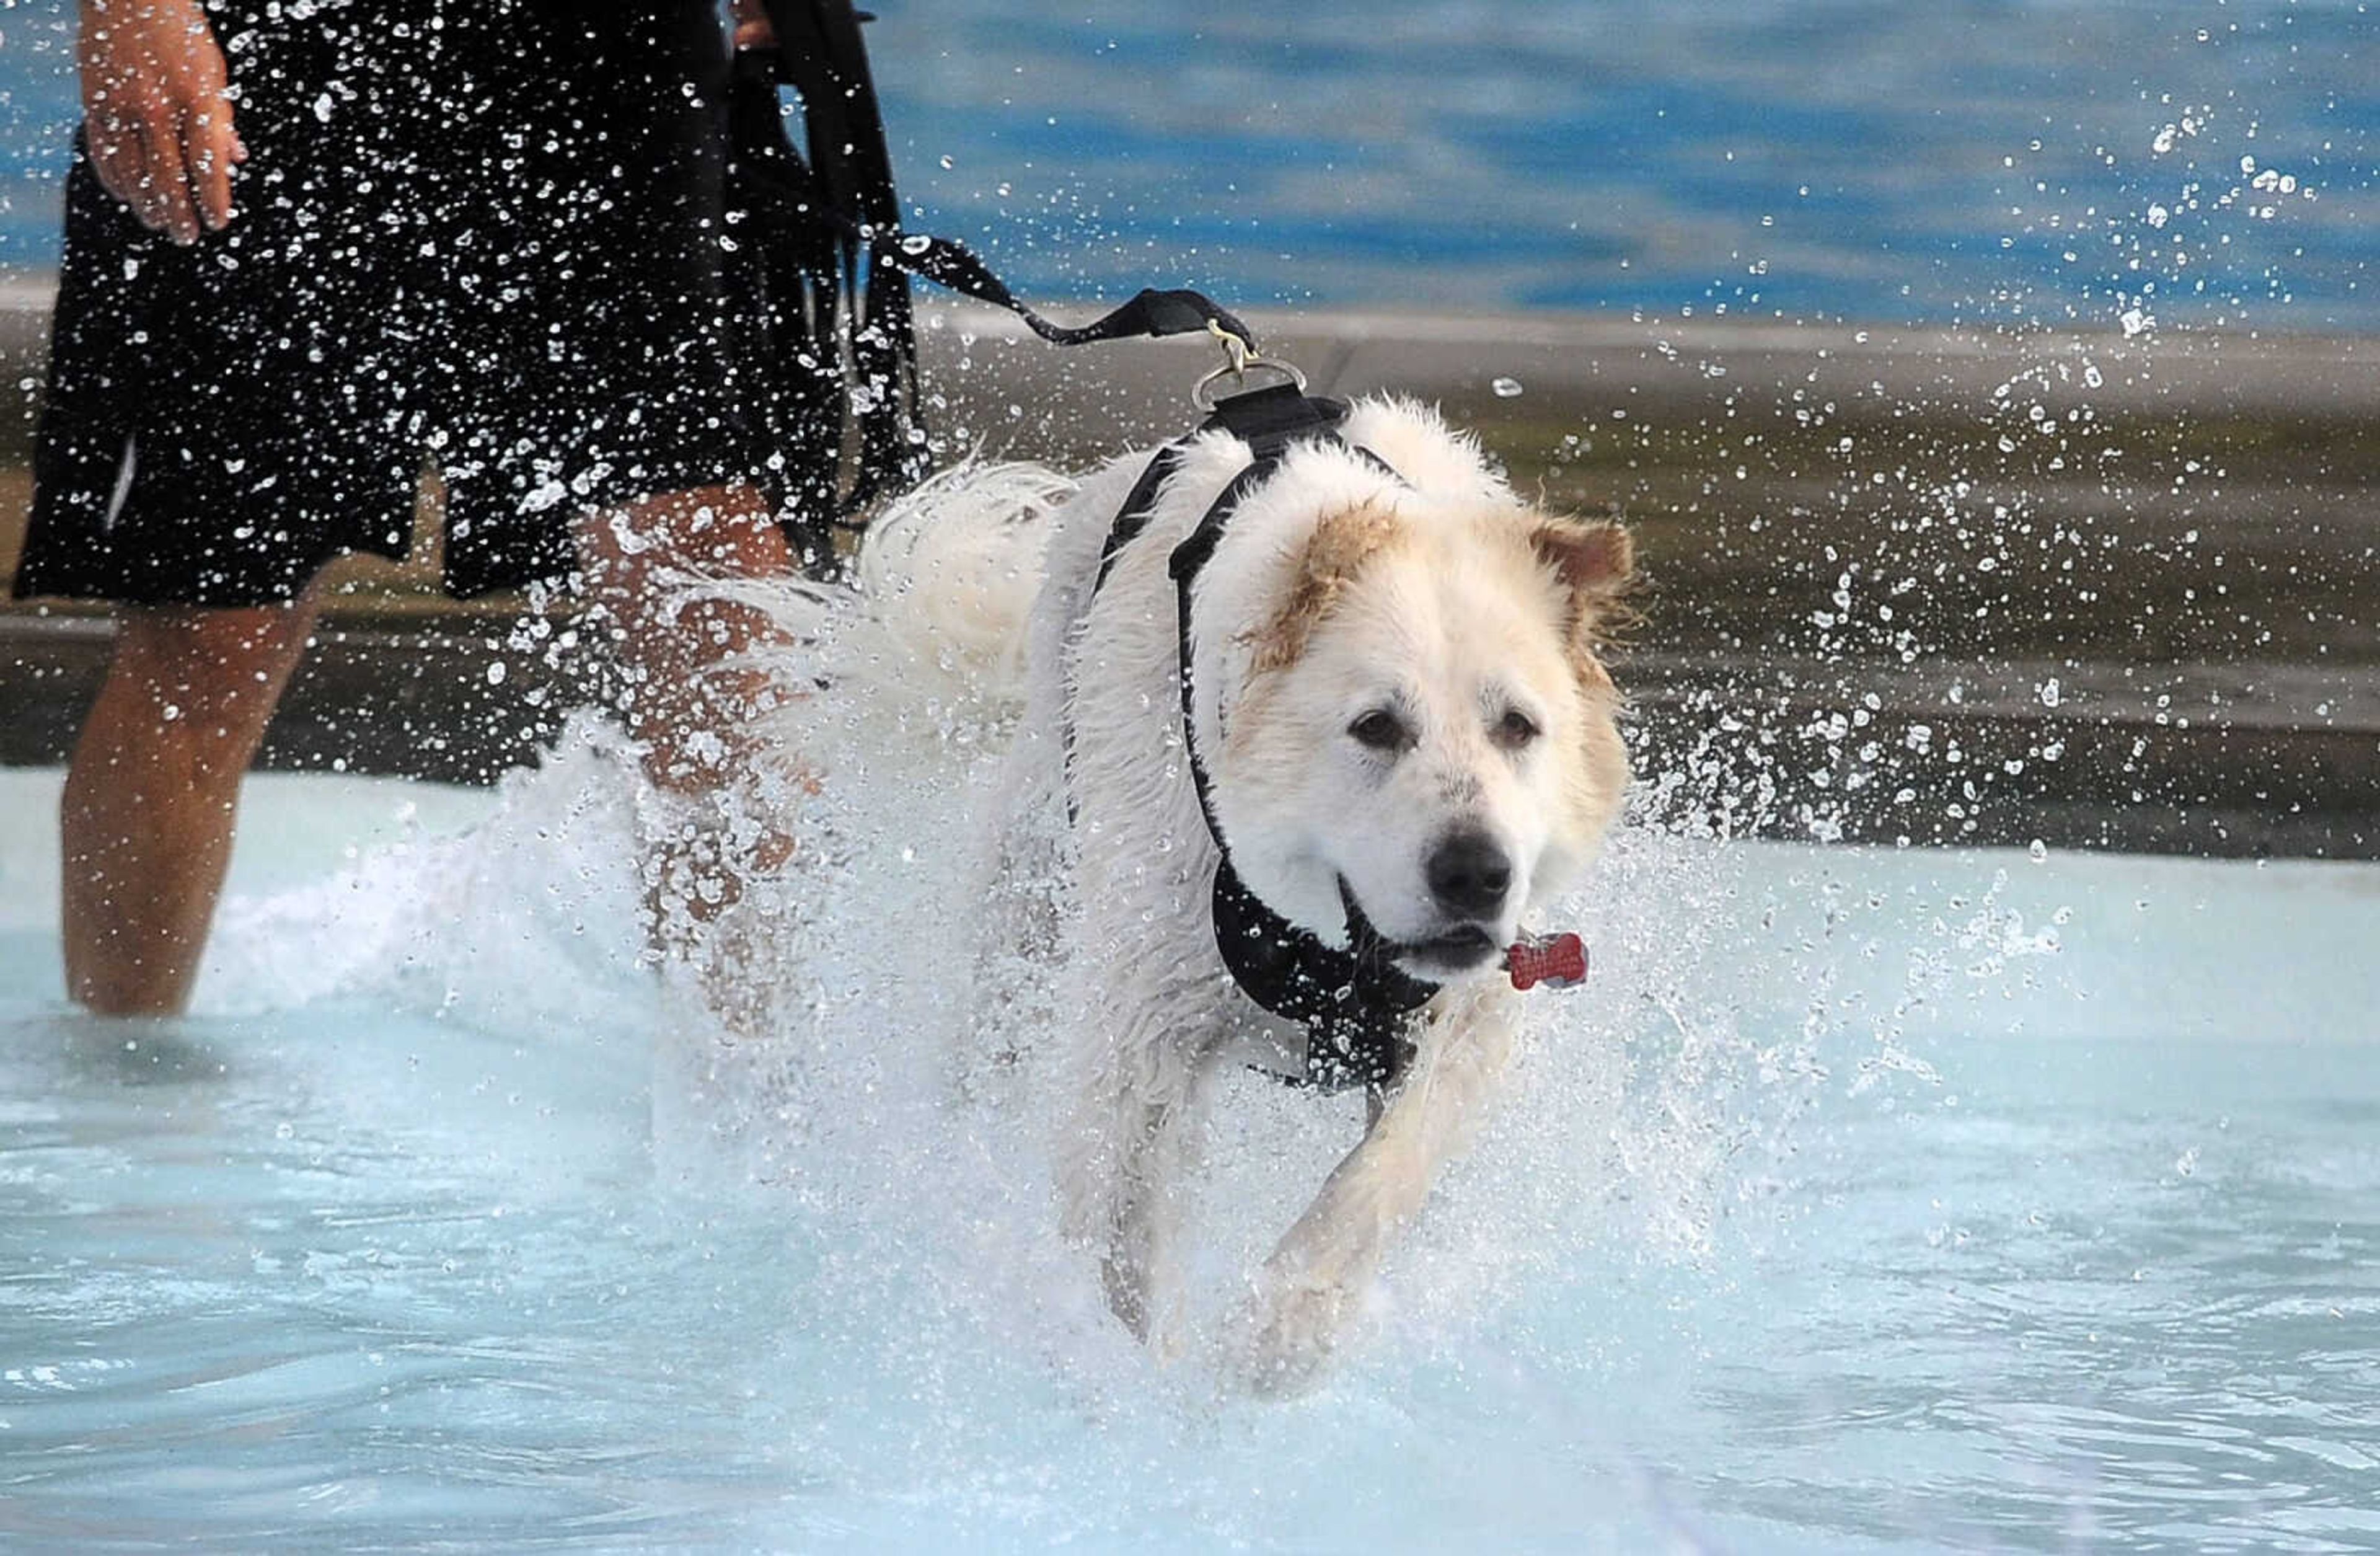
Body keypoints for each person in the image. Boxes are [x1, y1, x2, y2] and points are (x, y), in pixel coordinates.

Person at [16, 0, 801, 1015]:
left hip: (613, 46)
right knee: (213, 621)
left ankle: (765, 1114)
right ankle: (120, 1104)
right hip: (280, 32)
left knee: (703, 570)